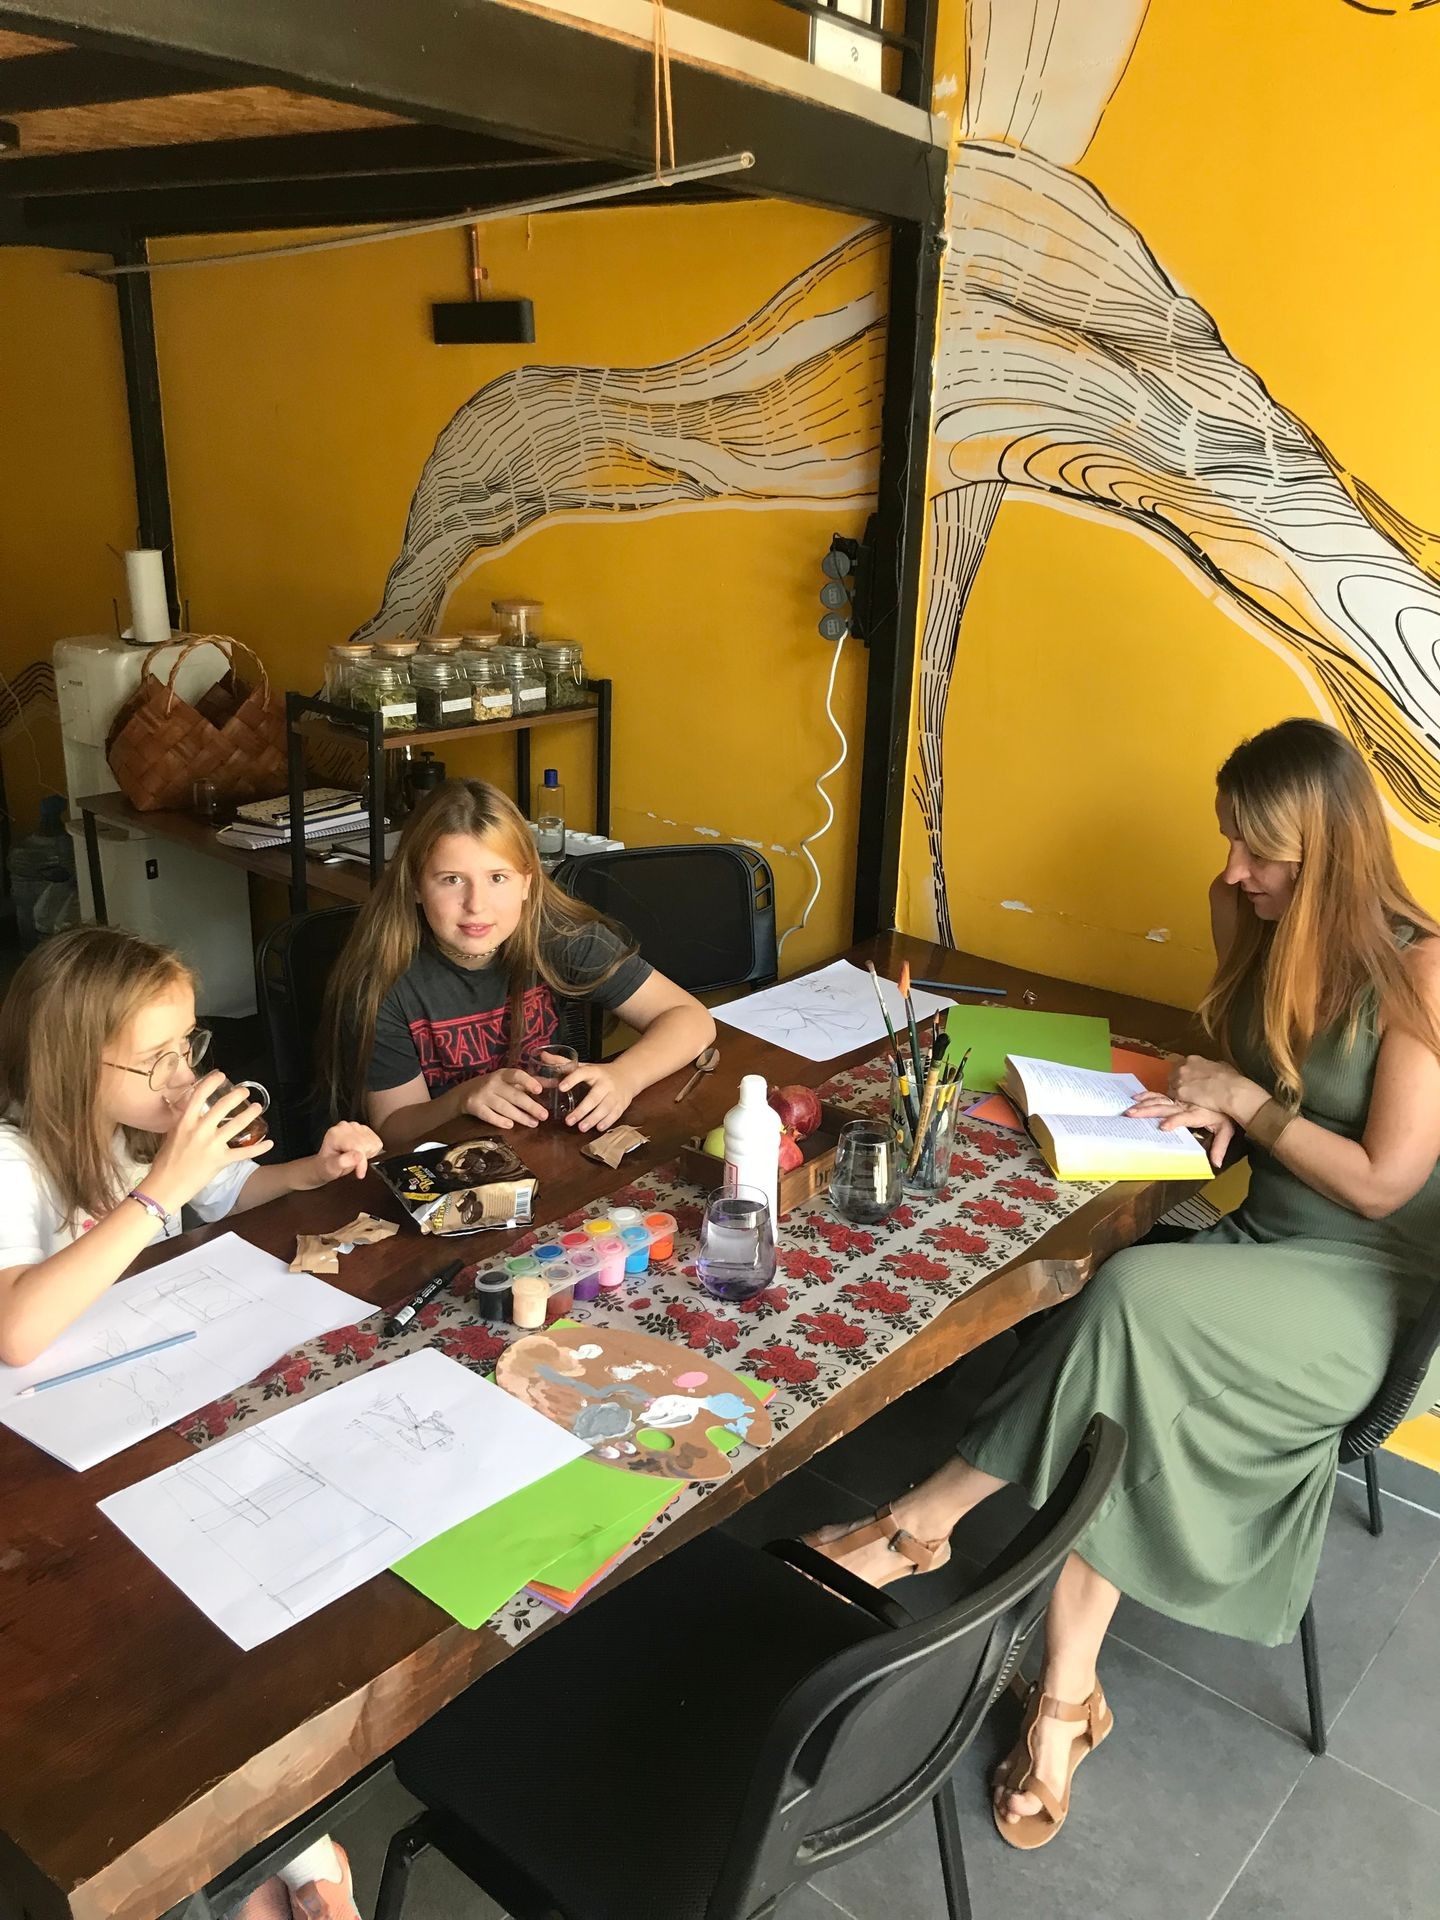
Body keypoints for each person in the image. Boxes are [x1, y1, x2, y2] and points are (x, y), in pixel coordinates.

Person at [805, 718, 1440, 1850]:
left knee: (1138, 1302)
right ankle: (1067, 1700)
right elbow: (1263, 1092)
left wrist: (1243, 1104)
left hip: (1370, 1285)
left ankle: (923, 1520)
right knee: (1138, 1328)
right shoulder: (1248, 917)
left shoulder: (1423, 967)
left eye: (1261, 856)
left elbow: (1387, 1183)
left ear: (1331, 851)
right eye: (1233, 848)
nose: (1234, 874)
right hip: (1266, 1248)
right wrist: (1199, 1116)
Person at [0, 926, 381, 1369]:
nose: (184, 1076)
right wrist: (162, 1190)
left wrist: (311, 1170)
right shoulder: (13, 1162)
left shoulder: (143, 1121)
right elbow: (15, 1338)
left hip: (160, 1336)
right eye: (153, 1060)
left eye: (185, 1045)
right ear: (70, 1066)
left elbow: (233, 1192)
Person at [320, 778, 716, 1151]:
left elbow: (691, 1019)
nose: (476, 904)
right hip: (444, 1166)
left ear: (527, 882)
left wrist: (624, 1076)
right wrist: (462, 1099)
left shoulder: (559, 937)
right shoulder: (383, 981)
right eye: (452, 880)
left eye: (497, 877)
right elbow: (393, 1127)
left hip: (544, 1147)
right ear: (416, 887)